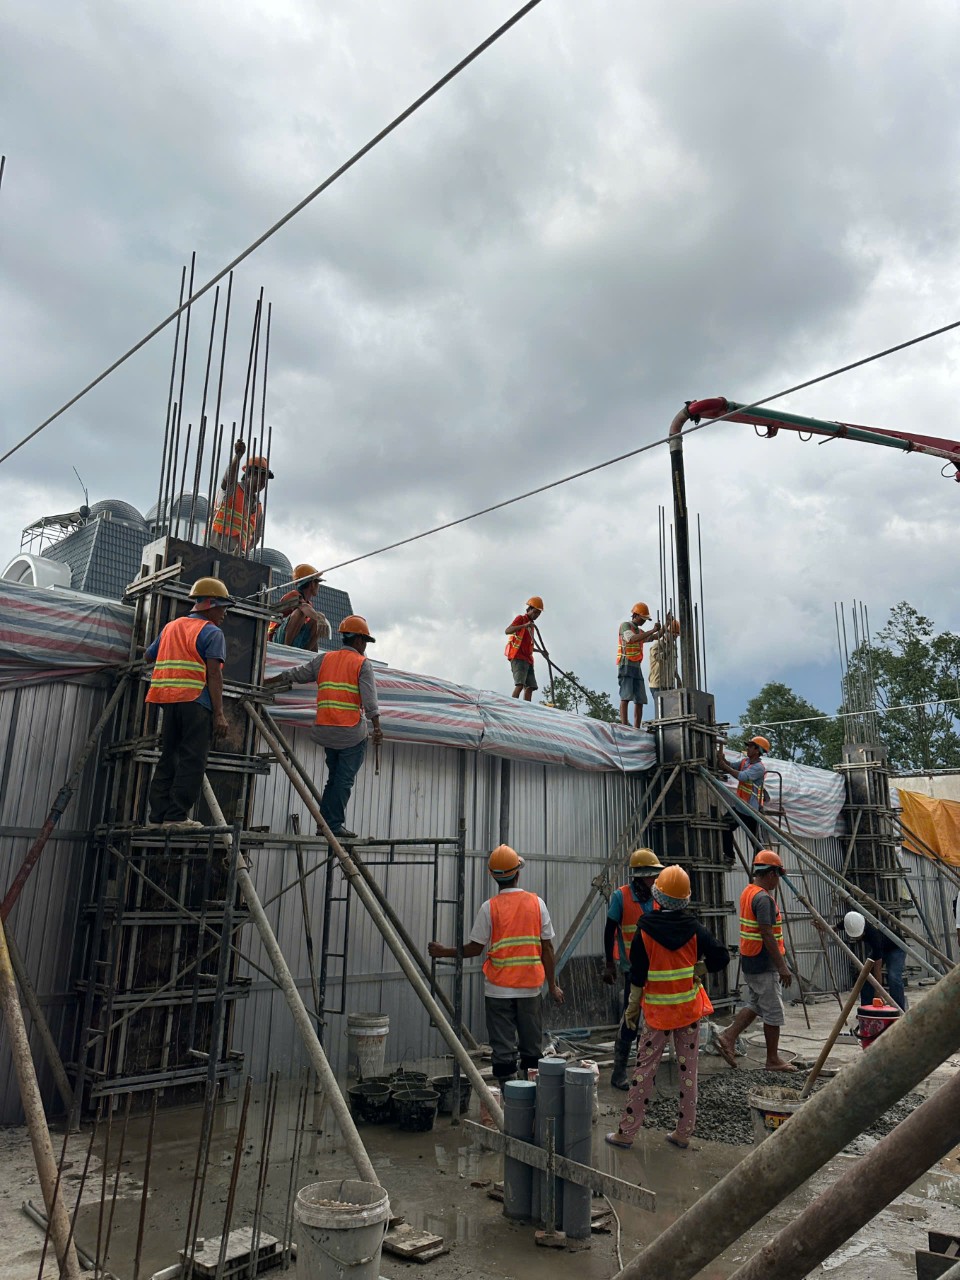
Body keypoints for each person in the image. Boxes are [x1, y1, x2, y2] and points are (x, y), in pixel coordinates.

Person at [605, 865, 729, 1151]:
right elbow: (721, 956)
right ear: (685, 899)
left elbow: (637, 976)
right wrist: (700, 968)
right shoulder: (696, 929)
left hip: (657, 1016)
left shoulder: (645, 930)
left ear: (657, 896)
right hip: (687, 1013)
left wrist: (632, 1010)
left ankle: (627, 1133)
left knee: (644, 1072)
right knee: (689, 1073)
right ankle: (683, 1133)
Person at [429, 845, 563, 1085]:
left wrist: (443, 951)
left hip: (498, 990)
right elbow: (548, 949)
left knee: (502, 1050)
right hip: (530, 989)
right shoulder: (537, 903)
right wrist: (552, 986)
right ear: (518, 873)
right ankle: (532, 1095)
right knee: (532, 1049)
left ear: (492, 876)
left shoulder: (489, 908)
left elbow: (474, 949)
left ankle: (507, 1098)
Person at [264, 614, 382, 839]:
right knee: (344, 780)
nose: (365, 646)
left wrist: (268, 681)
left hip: (327, 730)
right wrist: (377, 728)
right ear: (358, 640)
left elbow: (296, 674)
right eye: (365, 641)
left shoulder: (324, 660)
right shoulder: (362, 664)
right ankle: (333, 824)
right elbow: (370, 702)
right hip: (350, 733)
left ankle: (325, 825)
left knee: (334, 778)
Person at [145, 577, 231, 828]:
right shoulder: (212, 632)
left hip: (168, 700)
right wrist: (219, 714)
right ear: (210, 604)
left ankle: (157, 816)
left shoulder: (170, 627)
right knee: (193, 759)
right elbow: (214, 675)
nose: (224, 613)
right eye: (222, 607)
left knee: (168, 756)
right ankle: (176, 816)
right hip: (195, 701)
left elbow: (149, 655)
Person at [716, 850, 796, 1071]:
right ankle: (773, 1060)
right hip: (764, 963)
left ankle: (728, 1037)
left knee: (756, 1004)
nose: (778, 881)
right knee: (773, 1011)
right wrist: (782, 967)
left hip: (751, 960)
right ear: (771, 874)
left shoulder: (748, 892)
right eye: (778, 875)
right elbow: (767, 934)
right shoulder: (763, 899)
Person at [602, 848, 664, 1089]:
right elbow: (609, 930)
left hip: (656, 970)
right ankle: (619, 1073)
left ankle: (644, 1070)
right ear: (642, 875)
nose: (655, 879)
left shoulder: (658, 896)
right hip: (633, 971)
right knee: (631, 1019)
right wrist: (610, 964)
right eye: (652, 875)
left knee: (653, 1021)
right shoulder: (622, 897)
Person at [210, 439, 272, 554]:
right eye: (261, 478)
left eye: (265, 481)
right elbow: (227, 478)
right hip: (215, 549)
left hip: (235, 557)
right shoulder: (233, 488)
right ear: (249, 474)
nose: (263, 483)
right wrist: (237, 457)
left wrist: (245, 551)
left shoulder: (258, 507)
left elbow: (256, 536)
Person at [842, 910, 907, 1010]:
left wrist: (878, 992)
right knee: (865, 976)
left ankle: (898, 1009)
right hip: (882, 946)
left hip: (896, 947)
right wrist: (831, 928)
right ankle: (867, 1008)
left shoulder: (873, 935)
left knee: (893, 976)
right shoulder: (852, 921)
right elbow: (839, 926)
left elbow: (877, 968)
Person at [718, 735, 770, 854]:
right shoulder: (745, 762)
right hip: (740, 807)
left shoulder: (759, 768)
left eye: (750, 746)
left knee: (756, 842)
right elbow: (731, 766)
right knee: (724, 827)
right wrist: (723, 760)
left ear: (757, 750)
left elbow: (742, 776)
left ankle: (764, 861)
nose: (747, 748)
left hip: (751, 811)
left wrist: (725, 767)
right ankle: (729, 855)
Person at [617, 603, 664, 727]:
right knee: (626, 695)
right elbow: (632, 639)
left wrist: (665, 627)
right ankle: (624, 724)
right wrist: (652, 630)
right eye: (642, 618)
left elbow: (654, 637)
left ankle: (636, 727)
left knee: (640, 698)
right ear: (635, 615)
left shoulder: (640, 631)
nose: (643, 621)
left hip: (636, 667)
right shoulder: (625, 626)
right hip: (626, 665)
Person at [270, 564, 330, 651]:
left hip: (294, 638)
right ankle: (286, 649)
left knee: (315, 619)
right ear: (312, 584)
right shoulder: (293, 595)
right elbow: (303, 607)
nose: (318, 586)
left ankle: (306, 653)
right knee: (301, 613)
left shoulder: (308, 604)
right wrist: (319, 618)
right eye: (317, 582)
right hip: (276, 640)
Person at [505, 597, 544, 701]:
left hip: (528, 659)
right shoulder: (521, 619)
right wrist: (524, 625)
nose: (536, 615)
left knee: (530, 687)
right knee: (520, 684)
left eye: (538, 614)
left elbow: (528, 646)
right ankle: (513, 706)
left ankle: (527, 708)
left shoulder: (531, 626)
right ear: (529, 609)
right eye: (535, 612)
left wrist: (541, 651)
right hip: (518, 657)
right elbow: (507, 630)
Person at [648, 617, 681, 700]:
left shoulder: (674, 647)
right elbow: (660, 657)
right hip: (658, 684)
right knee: (662, 707)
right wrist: (669, 649)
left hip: (669, 684)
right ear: (667, 632)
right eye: (673, 635)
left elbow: (672, 665)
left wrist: (678, 679)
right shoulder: (657, 645)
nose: (675, 638)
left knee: (672, 707)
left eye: (676, 636)